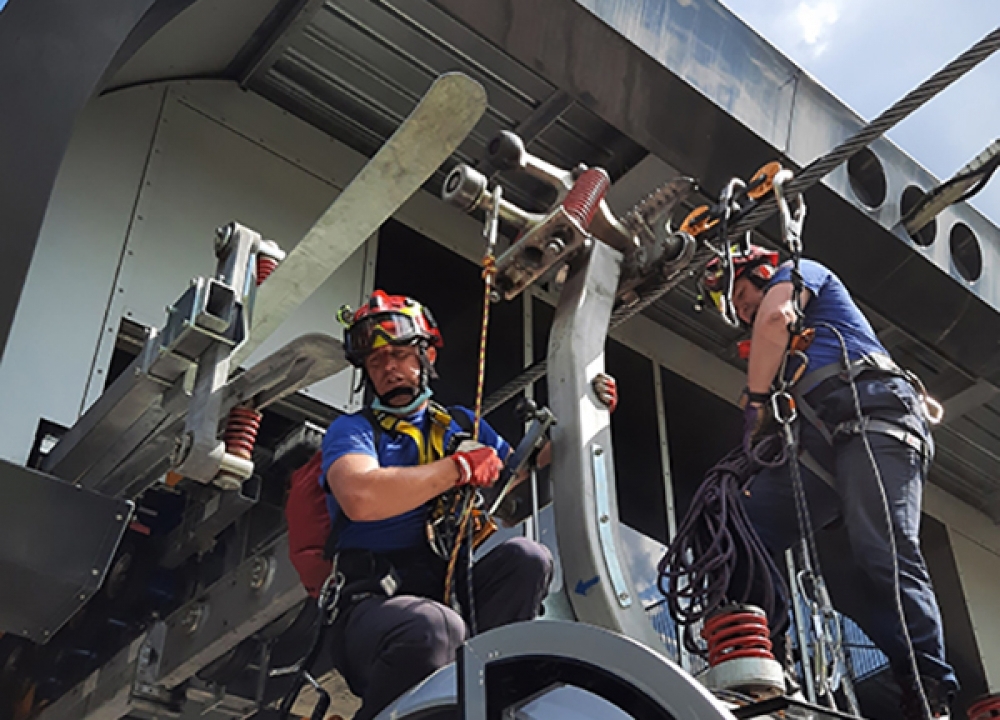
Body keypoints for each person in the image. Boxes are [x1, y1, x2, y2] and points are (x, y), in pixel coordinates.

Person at [318, 290, 618, 720]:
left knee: (528, 558)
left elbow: (518, 466)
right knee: (435, 628)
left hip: (448, 597)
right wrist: (456, 469)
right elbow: (361, 496)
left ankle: (489, 697)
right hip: (372, 610)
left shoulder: (456, 424)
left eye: (400, 355)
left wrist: (589, 406)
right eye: (376, 362)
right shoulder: (354, 430)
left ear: (426, 357)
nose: (388, 369)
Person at [701, 247, 957, 719]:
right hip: (824, 441)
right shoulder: (781, 365)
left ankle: (927, 686)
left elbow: (777, 318)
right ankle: (768, 657)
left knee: (881, 550)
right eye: (735, 307)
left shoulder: (801, 272)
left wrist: (756, 406)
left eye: (741, 293)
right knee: (738, 527)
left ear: (764, 273)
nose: (742, 310)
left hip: (877, 418)